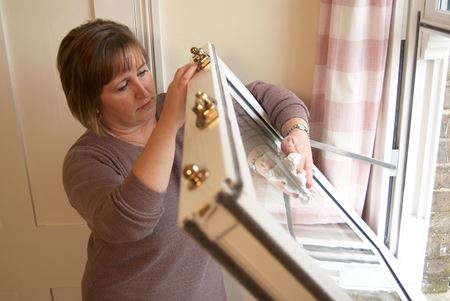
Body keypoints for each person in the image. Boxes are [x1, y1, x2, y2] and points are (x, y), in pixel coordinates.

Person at [57, 19, 313, 301]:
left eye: (142, 72)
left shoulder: (182, 107)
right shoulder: (86, 159)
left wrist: (296, 131)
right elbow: (128, 223)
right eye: (122, 87)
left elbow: (261, 96)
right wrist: (169, 122)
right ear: (92, 101)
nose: (143, 91)